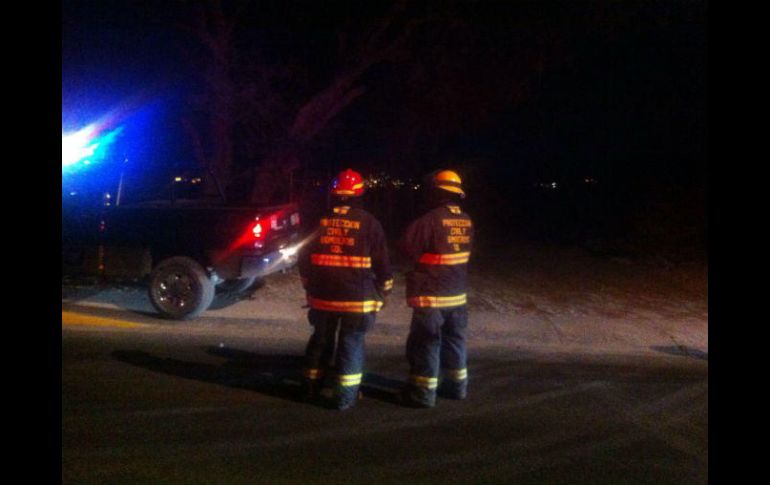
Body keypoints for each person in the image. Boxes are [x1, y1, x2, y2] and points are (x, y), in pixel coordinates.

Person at [298, 168, 393, 410]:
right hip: (356, 300)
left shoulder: (318, 220)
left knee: (320, 341)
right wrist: (385, 289)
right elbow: (382, 263)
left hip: (322, 297)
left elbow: (304, 257)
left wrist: (309, 287)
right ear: (359, 193)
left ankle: (310, 388)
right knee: (351, 343)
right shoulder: (370, 223)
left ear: (333, 193)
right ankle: (345, 397)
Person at [399, 169, 474, 408]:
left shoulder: (429, 220)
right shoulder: (466, 220)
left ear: (437, 192)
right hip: (457, 294)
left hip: (431, 294)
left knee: (426, 343)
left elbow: (407, 248)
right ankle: (456, 388)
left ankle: (422, 393)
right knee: (455, 340)